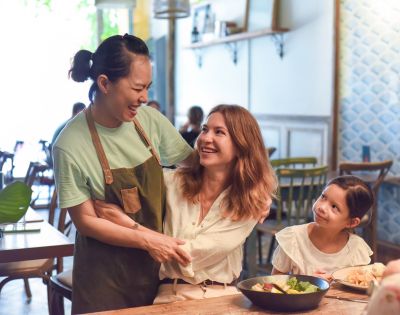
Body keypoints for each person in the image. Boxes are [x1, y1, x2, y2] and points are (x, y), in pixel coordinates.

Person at [52, 34, 193, 314]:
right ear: (104, 84)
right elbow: (86, 222)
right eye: (137, 88)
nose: (144, 98)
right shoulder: (69, 144)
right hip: (103, 281)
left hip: (157, 274)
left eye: (148, 88)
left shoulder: (150, 121)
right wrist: (149, 239)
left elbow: (195, 165)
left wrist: (250, 187)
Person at [94, 104, 277, 303]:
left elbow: (190, 254)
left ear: (242, 146)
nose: (206, 138)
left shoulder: (250, 202)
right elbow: (122, 191)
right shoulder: (173, 181)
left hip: (222, 299)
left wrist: (132, 226)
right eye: (205, 129)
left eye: (219, 132)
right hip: (169, 297)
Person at [271, 175, 374, 278]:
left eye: (334, 207)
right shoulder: (293, 239)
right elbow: (275, 279)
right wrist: (307, 282)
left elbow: (359, 285)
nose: (322, 207)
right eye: (323, 197)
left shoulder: (357, 250)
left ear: (352, 222)